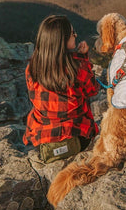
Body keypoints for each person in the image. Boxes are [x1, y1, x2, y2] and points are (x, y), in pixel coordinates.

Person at [23, 15, 100, 163]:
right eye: (72, 33)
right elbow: (93, 90)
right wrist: (83, 58)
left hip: (42, 141)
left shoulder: (32, 68)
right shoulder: (77, 67)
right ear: (62, 40)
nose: (76, 36)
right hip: (76, 137)